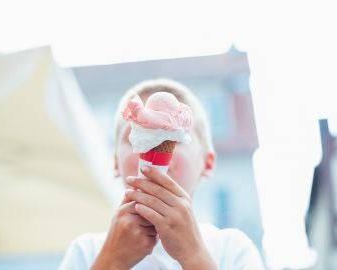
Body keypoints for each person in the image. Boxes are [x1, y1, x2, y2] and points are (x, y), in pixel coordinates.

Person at [58, 79, 264, 270]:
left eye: (175, 139)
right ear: (115, 163)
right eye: (134, 136)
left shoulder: (232, 249)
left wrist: (194, 255)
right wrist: (112, 260)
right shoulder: (86, 252)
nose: (154, 144)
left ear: (207, 164)